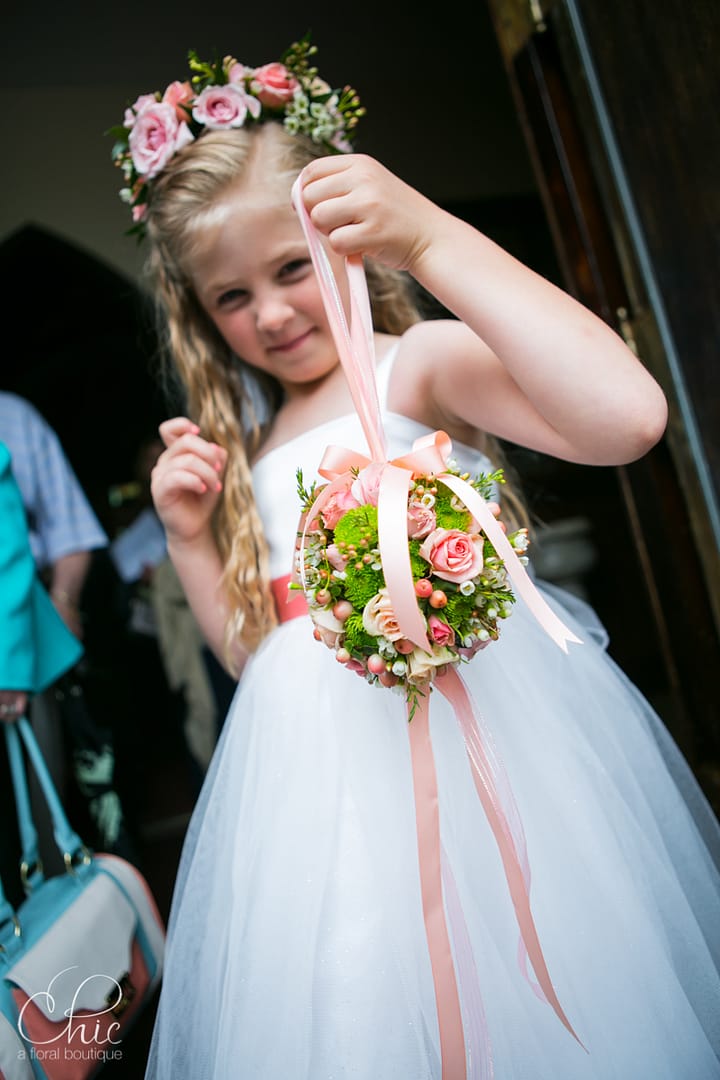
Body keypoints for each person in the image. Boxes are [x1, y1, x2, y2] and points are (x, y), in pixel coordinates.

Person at [113, 41, 720, 1078]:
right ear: (199, 314)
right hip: (323, 798)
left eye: (293, 267)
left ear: (350, 243)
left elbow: (628, 418)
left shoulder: (416, 369)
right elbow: (261, 656)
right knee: (358, 1000)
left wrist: (431, 236)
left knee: (533, 973)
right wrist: (189, 542)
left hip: (492, 746)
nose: (269, 314)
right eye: (231, 296)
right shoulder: (251, 454)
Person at [0, 392, 135, 862]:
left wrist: (60, 605)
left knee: (48, 805)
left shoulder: (13, 416)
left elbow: (63, 530)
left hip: (23, 630)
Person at [0, 439, 83, 907]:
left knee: (45, 834)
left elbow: (6, 548)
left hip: (14, 666)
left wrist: (8, 666)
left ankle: (71, 973)